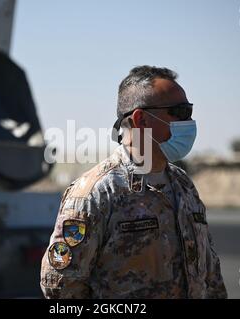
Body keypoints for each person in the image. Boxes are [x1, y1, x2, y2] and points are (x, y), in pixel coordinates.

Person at [40, 65, 227, 298]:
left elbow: (210, 275)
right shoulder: (96, 193)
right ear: (141, 119)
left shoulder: (183, 185)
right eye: (179, 112)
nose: (189, 121)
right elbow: (60, 286)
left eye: (189, 111)